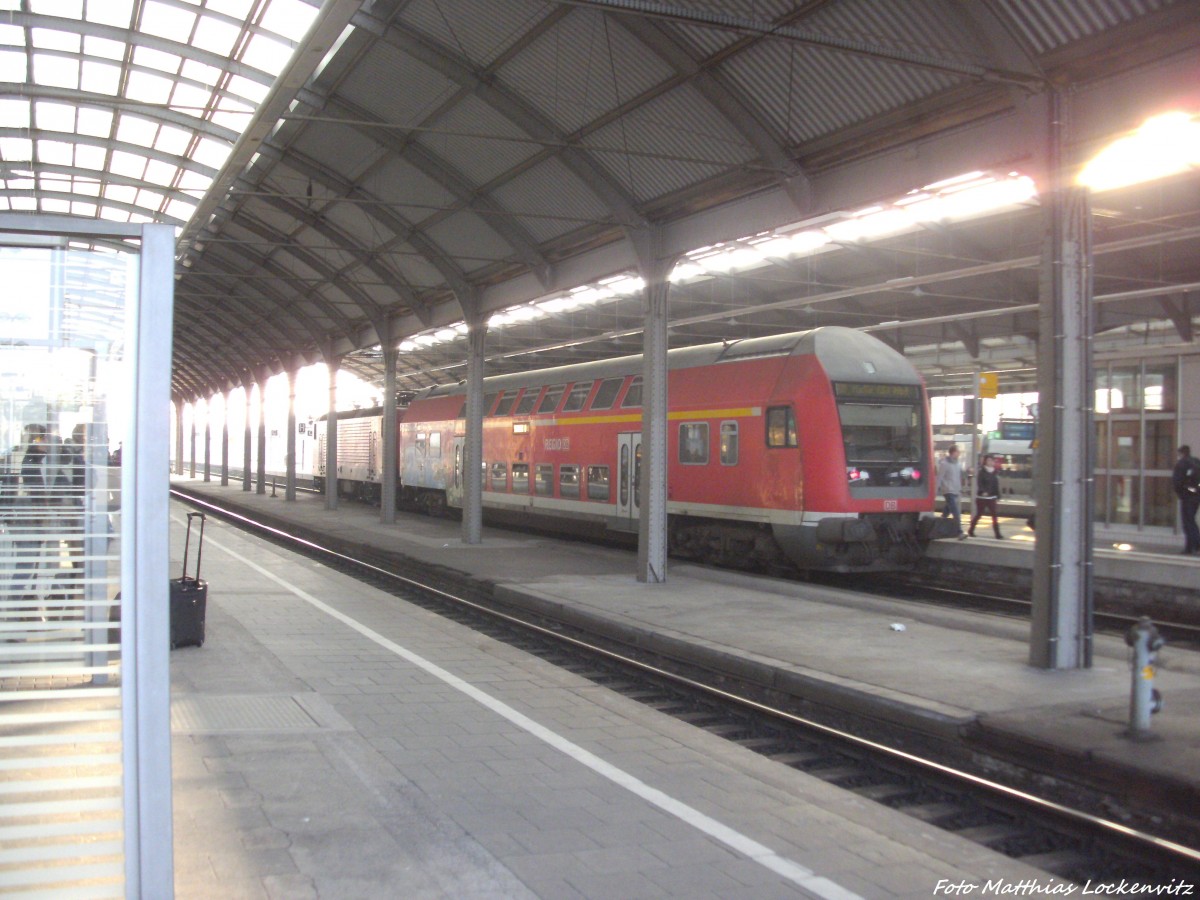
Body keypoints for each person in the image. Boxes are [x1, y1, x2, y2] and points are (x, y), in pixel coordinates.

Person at [1173, 444, 1200, 555]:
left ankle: (1196, 544)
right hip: (1197, 496)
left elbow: (1177, 482)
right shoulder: (1196, 462)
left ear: (1181, 453)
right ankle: (1189, 548)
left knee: (1188, 522)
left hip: (1187, 497)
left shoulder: (1181, 464)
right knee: (1191, 520)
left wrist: (1181, 494)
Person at [967, 454, 1002, 539]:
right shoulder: (981, 472)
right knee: (979, 514)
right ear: (985, 462)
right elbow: (980, 483)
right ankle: (971, 530)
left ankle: (997, 534)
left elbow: (996, 485)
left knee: (994, 515)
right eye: (988, 460)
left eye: (992, 460)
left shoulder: (995, 472)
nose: (990, 462)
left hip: (992, 497)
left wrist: (998, 495)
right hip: (982, 498)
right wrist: (983, 491)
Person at [936, 444, 964, 538]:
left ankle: (938, 528)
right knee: (955, 511)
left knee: (946, 512)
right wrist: (936, 490)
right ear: (953, 452)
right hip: (948, 491)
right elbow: (939, 477)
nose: (959, 453)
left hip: (956, 490)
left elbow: (960, 475)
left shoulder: (958, 464)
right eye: (958, 451)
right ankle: (959, 532)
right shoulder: (944, 464)